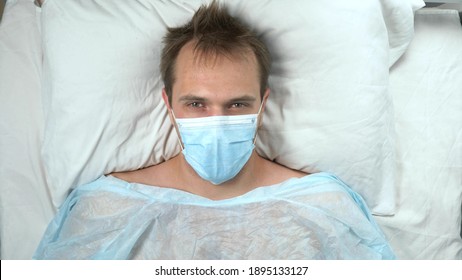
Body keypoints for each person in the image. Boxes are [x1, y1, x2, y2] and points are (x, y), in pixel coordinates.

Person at [33, 1, 395, 259]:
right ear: (169, 104)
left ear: (262, 103)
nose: (216, 120)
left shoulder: (326, 209)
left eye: (237, 104)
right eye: (196, 104)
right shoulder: (103, 210)